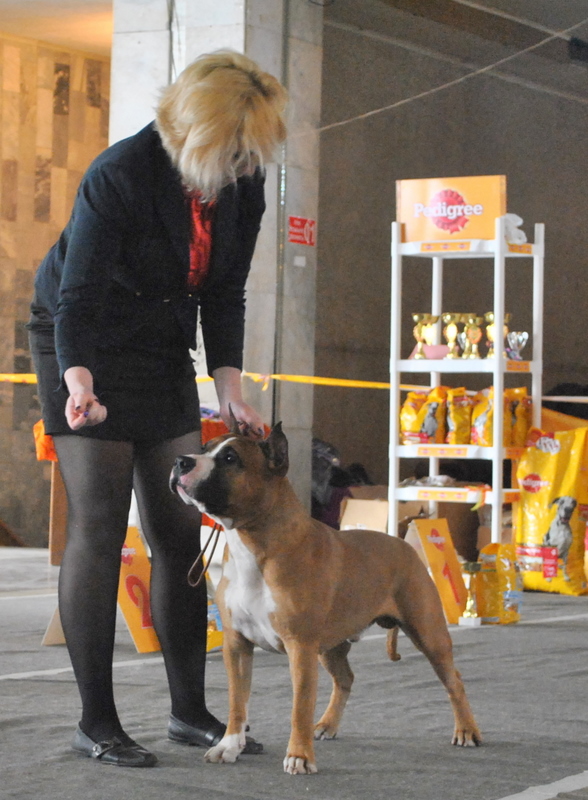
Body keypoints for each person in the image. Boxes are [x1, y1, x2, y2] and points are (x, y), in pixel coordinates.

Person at [27, 50, 287, 767]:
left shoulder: (244, 184)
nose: (246, 167)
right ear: (197, 133)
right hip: (83, 340)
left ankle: (189, 712)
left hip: (162, 343)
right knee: (101, 524)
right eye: (235, 152)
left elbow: (225, 291)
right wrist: (79, 382)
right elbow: (76, 296)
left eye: (253, 154)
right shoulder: (120, 173)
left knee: (177, 528)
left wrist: (230, 388)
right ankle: (97, 722)